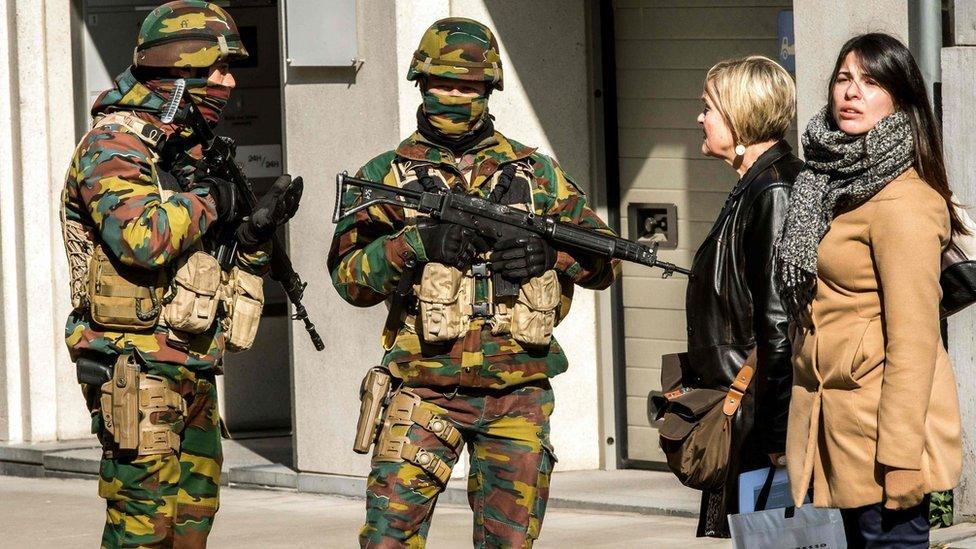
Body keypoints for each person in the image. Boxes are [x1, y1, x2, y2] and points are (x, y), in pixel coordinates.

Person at [328, 17, 619, 548]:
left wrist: (550, 254)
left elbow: (605, 262)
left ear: (490, 89)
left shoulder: (536, 173)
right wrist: (416, 245)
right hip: (423, 390)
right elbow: (349, 279)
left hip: (518, 396)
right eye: (443, 83)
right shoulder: (387, 176)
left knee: (508, 543)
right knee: (389, 538)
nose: (455, 95)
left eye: (468, 86)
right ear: (421, 82)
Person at [60, 1, 302, 546]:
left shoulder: (186, 150)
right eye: (218, 68)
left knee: (192, 525)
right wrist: (212, 202)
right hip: (135, 366)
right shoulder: (113, 146)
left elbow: (207, 264)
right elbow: (142, 241)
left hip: (190, 363)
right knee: (143, 528)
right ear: (180, 67)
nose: (229, 82)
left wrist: (252, 240)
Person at [778, 33, 964, 548]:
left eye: (872, 81)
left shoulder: (902, 202)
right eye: (844, 79)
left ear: (900, 100)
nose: (852, 92)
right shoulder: (826, 185)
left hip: (883, 444)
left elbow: (914, 342)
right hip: (837, 432)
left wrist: (903, 460)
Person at [685, 56, 800, 537]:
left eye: (709, 107)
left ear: (740, 116)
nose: (700, 118)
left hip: (756, 417)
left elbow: (778, 326)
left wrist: (775, 434)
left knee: (774, 538)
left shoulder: (772, 191)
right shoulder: (752, 186)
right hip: (741, 406)